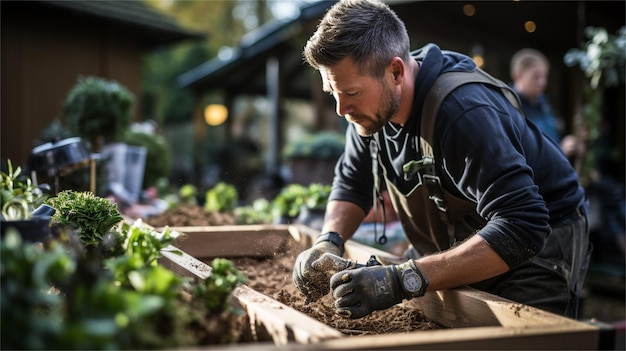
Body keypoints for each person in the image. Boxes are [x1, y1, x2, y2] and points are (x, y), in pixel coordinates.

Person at [292, 0, 590, 320]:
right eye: (332, 93)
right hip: (463, 237)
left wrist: (403, 278)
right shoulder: (368, 113)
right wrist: (329, 241)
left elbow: (523, 225)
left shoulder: (462, 112)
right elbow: (353, 183)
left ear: (395, 71)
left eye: (350, 93)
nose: (341, 109)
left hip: (539, 247)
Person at [510, 48, 584, 163]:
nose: (543, 82)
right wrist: (560, 151)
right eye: (536, 77)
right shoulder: (509, 106)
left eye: (545, 77)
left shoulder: (544, 102)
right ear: (518, 76)